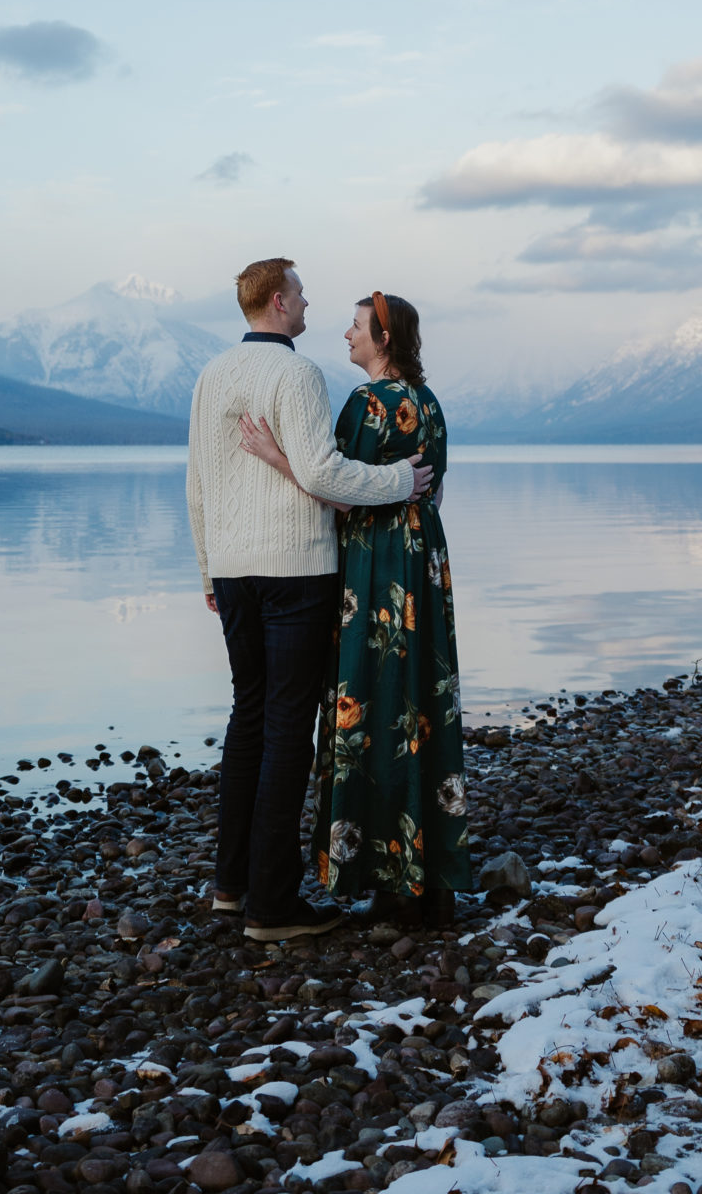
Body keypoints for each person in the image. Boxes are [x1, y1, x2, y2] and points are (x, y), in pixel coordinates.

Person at [186, 256, 434, 943]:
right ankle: (273, 906)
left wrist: (209, 572)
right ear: (274, 301)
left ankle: (230, 887)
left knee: (250, 719)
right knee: (288, 731)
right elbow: (322, 471)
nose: (306, 305)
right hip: (294, 569)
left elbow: (198, 483)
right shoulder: (295, 374)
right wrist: (399, 485)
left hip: (235, 570)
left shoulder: (212, 376)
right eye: (298, 294)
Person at [238, 288, 471, 927]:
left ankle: (385, 873)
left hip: (375, 569)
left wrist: (273, 456)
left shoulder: (368, 404)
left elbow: (335, 490)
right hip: (424, 563)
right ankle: (430, 881)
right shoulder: (429, 404)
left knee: (370, 701)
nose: (346, 334)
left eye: (357, 326)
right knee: (420, 697)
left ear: (384, 339)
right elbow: (434, 490)